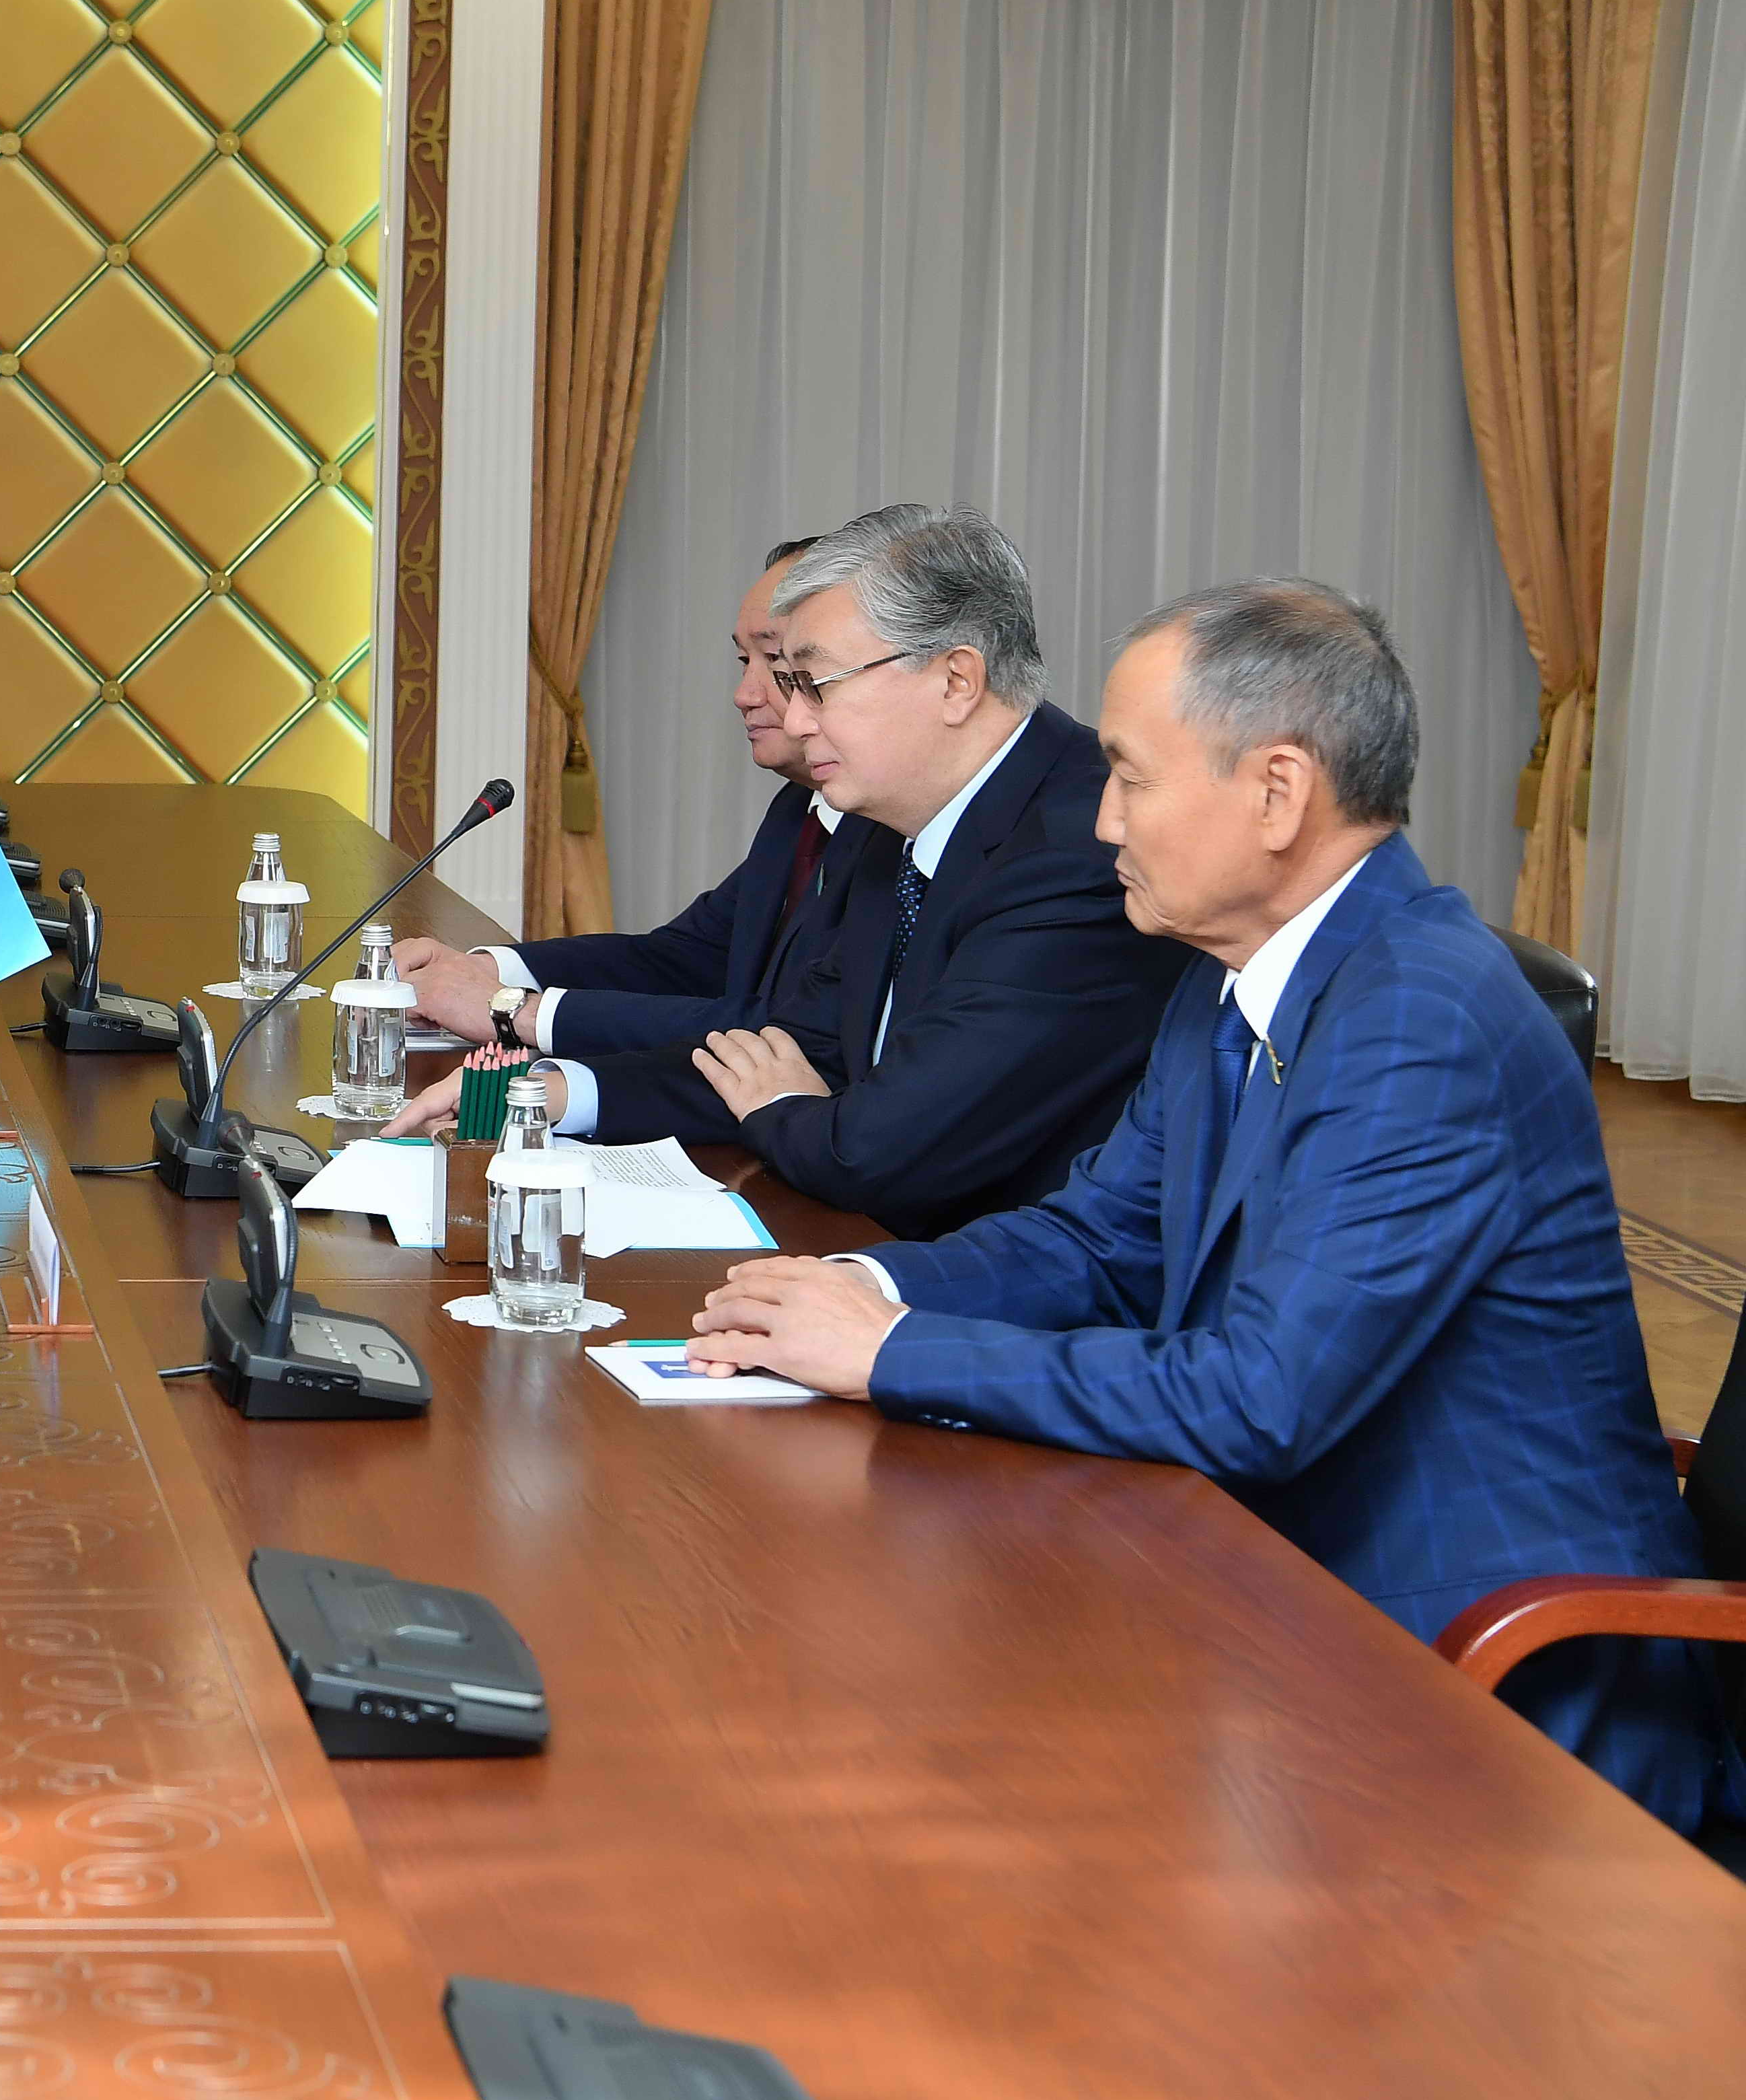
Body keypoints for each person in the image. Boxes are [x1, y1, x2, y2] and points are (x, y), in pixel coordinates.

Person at [686, 582, 1738, 1829]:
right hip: (1284, 1584)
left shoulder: (1423, 1017)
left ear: (1278, 793)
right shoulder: (1233, 972)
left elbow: (1259, 1399)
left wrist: (893, 1351)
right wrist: (861, 1287)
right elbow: (1096, 1236)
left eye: (1130, 779)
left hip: (1488, 1687)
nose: (1100, 820)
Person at [396, 505, 1188, 1238]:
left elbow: (878, 1147)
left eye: (815, 684)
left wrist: (784, 1101)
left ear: (956, 680)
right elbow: (791, 1044)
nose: (795, 718)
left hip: (1001, 1289)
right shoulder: (893, 816)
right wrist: (557, 1092)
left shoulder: (1075, 854)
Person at [398, 534, 851, 1058]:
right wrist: (487, 969)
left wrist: (515, 1010)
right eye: (742, 660)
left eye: (775, 661)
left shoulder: (887, 832)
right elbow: (686, 957)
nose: (745, 694)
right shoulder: (798, 809)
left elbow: (791, 1030)